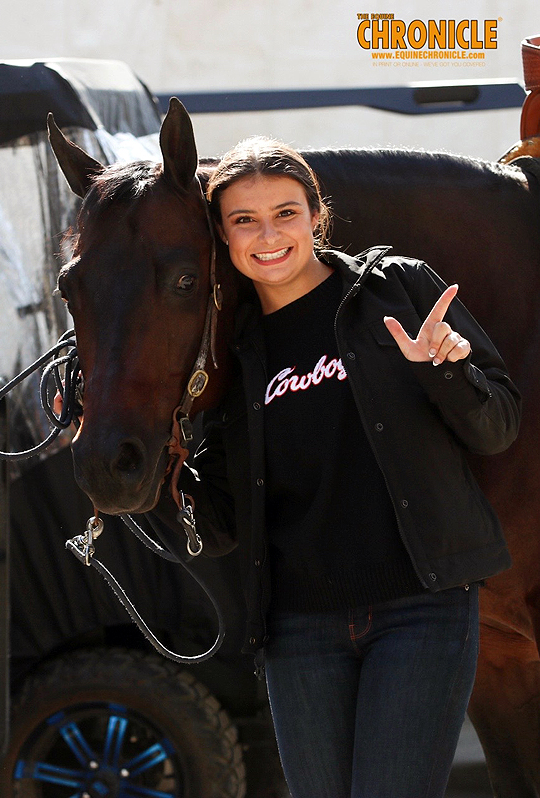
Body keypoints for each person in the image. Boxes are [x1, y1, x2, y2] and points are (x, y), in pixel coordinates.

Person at [167, 136, 521, 798]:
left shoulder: (398, 289)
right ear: (222, 237)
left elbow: (498, 428)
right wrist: (158, 448)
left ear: (315, 215)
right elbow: (218, 526)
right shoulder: (231, 354)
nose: (268, 235)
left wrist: (445, 370)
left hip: (421, 611)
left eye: (286, 213)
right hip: (298, 630)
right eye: (244, 220)